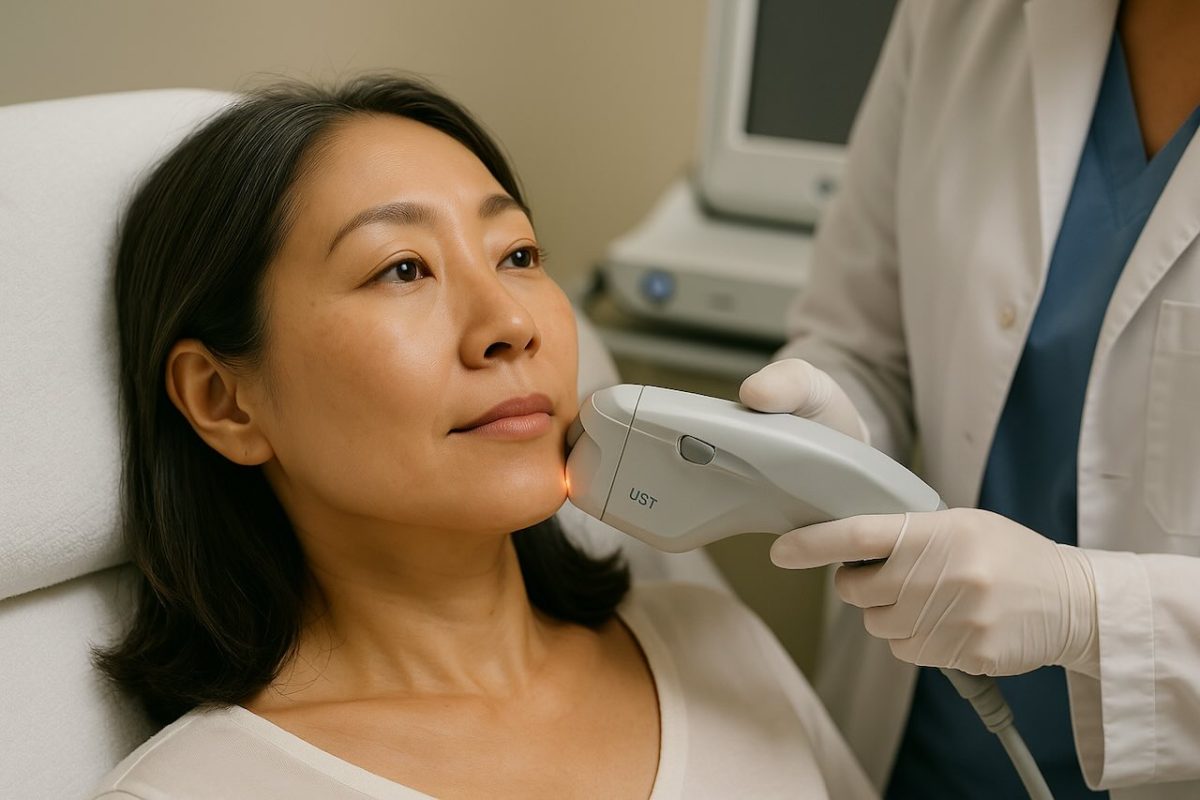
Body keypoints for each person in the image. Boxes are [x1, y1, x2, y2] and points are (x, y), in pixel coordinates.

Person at [89, 75, 874, 799]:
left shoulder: (717, 650)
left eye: (519, 255)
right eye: (403, 269)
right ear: (224, 400)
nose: (509, 322)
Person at [737, 0, 1200, 798]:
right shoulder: (958, 15)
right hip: (914, 747)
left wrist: (1090, 612)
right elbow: (861, 343)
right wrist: (833, 424)